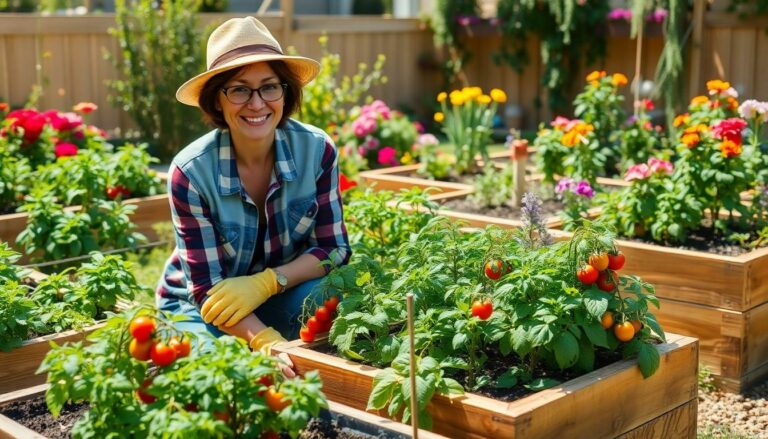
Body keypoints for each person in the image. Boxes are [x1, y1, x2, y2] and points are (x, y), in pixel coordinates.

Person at [156, 16, 351, 365]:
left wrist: (267, 282)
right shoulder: (191, 172)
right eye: (240, 89)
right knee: (216, 370)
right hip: (204, 306)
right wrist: (264, 341)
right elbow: (205, 290)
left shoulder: (316, 150)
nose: (258, 103)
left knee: (336, 293)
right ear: (217, 100)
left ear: (284, 90)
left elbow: (334, 249)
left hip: (279, 293)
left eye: (269, 86)